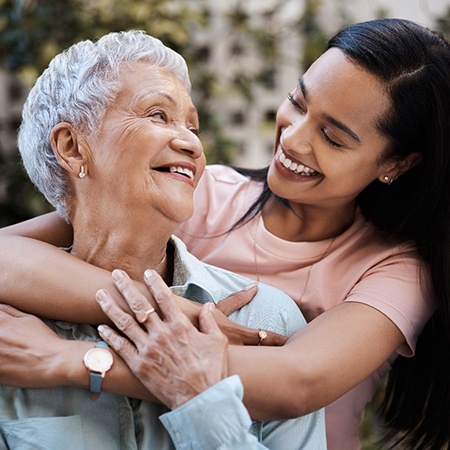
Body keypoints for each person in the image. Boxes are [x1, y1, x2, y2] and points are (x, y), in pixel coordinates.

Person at [0, 17, 449, 449]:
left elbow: (295, 380)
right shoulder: (200, 193)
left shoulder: (397, 269)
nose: (293, 139)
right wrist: (190, 313)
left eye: (332, 137)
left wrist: (79, 362)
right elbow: (9, 254)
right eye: (298, 101)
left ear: (395, 163)